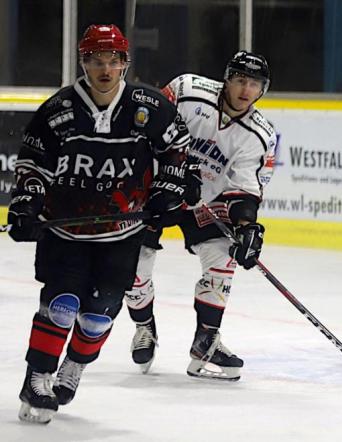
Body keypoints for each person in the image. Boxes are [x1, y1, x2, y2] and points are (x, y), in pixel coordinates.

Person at [8, 24, 196, 424]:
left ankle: (74, 367)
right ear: (84, 63)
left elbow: (177, 150)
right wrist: (27, 202)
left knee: (98, 315)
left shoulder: (147, 105)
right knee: (61, 305)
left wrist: (167, 192)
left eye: (113, 61)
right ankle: (38, 376)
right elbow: (32, 162)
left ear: (125, 63)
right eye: (96, 61)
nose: (105, 70)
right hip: (65, 227)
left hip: (122, 231)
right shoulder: (60, 109)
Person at [123, 51, 278, 381]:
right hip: (155, 190)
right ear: (226, 79)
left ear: (262, 90)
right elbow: (146, 132)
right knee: (135, 259)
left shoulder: (259, 135)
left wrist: (247, 227)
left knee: (223, 256)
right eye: (239, 80)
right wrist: (176, 169)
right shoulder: (186, 91)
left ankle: (207, 339)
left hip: (203, 200)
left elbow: (245, 189)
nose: (245, 90)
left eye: (253, 84)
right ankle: (143, 327)